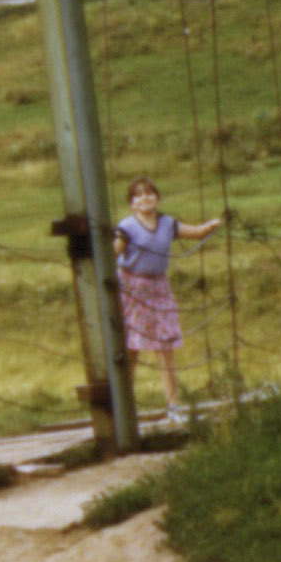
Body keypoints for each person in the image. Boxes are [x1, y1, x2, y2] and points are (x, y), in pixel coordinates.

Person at [113, 177, 223, 423]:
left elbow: (194, 233)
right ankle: (125, 408)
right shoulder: (127, 227)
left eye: (150, 194)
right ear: (131, 203)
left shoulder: (167, 224)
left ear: (158, 199)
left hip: (159, 286)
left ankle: (174, 406)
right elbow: (113, 253)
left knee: (165, 347)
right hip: (132, 288)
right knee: (131, 346)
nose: (145, 199)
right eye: (138, 196)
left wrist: (213, 225)